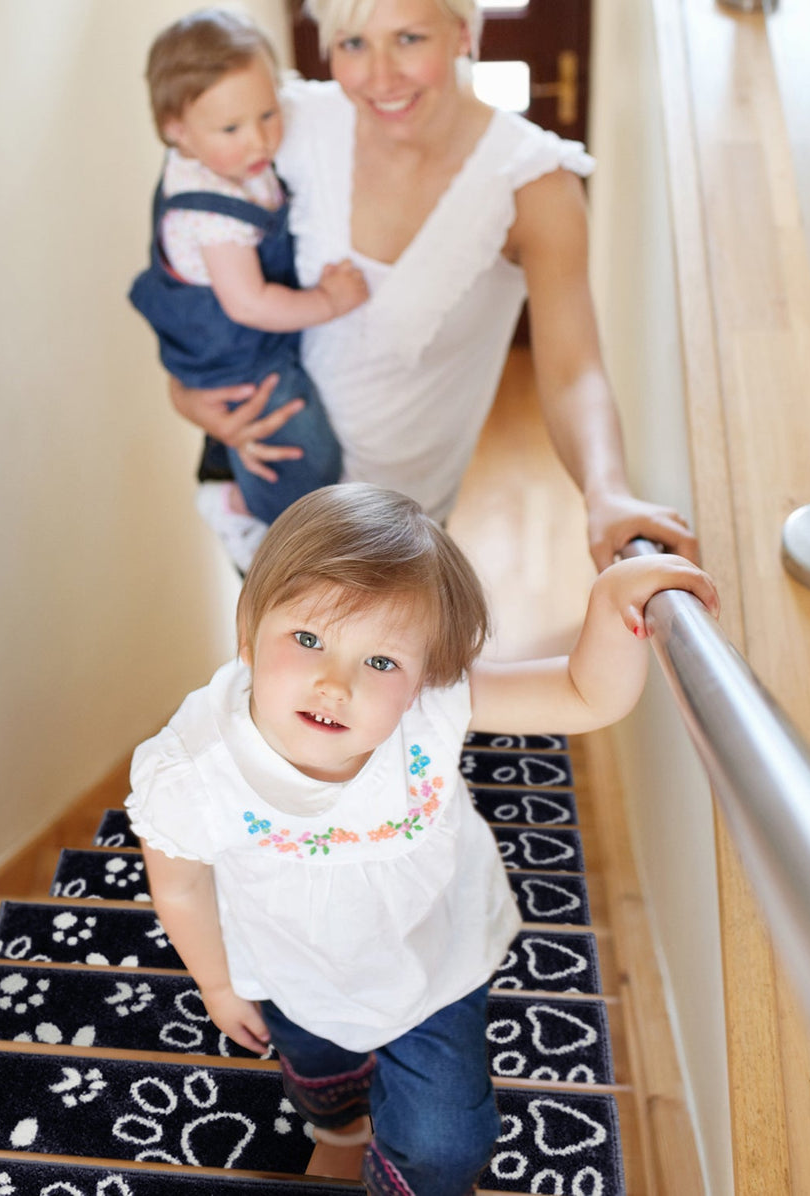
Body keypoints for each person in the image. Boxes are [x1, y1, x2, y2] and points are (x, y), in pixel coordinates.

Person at [126, 483, 718, 1196]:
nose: (335, 682)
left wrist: (614, 604)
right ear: (247, 634)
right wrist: (218, 985)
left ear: (422, 680)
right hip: (290, 966)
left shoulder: (431, 709)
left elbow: (583, 695)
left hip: (433, 957)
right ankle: (340, 1130)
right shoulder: (193, 770)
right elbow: (183, 882)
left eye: (382, 663)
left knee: (447, 1142)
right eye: (308, 639)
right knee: (319, 1076)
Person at [167, 0, 699, 572]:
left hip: (396, 536)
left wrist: (607, 491)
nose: (380, 76)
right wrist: (187, 393)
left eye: (410, 39)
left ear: (463, 31)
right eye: (352, 44)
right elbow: (186, 256)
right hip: (270, 502)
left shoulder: (535, 185)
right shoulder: (282, 125)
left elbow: (574, 373)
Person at [129, 8, 369, 569]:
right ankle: (243, 512)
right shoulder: (209, 214)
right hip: (235, 360)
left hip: (247, 343)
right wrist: (330, 302)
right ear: (176, 129)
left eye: (268, 113)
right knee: (305, 456)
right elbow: (250, 302)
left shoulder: (225, 159)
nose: (259, 138)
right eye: (233, 128)